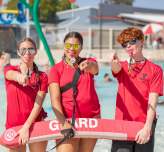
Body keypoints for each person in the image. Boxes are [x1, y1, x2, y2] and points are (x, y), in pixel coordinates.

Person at [107, 27, 163, 152]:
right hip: (122, 125)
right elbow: (116, 68)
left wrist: (147, 128)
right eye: (124, 44)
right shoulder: (122, 66)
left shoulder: (155, 70)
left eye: (131, 41)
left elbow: (152, 101)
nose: (128, 46)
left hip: (144, 125)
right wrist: (113, 62)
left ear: (141, 41)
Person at [48, 31, 101, 152]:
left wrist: (89, 65)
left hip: (91, 119)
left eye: (76, 46)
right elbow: (54, 98)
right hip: (67, 120)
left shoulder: (88, 62)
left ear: (81, 48)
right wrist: (63, 123)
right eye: (68, 45)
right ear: (63, 46)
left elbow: (95, 67)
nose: (71, 49)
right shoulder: (55, 69)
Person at [4, 38, 48, 152]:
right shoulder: (10, 69)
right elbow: (10, 74)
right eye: (23, 50)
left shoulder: (42, 76)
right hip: (14, 127)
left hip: (35, 125)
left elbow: (38, 104)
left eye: (30, 49)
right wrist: (18, 76)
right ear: (18, 52)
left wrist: (26, 126)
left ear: (35, 52)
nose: (27, 52)